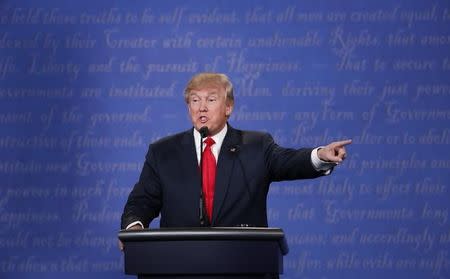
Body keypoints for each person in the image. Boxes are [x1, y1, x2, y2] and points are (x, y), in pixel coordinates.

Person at [120, 72, 351, 236]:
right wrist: (134, 227)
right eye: (195, 100)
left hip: (242, 263)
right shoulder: (163, 152)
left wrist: (320, 155)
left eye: (211, 99)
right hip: (179, 266)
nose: (202, 107)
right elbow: (142, 201)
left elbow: (288, 162)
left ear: (228, 107)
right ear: (188, 107)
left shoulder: (257, 145)